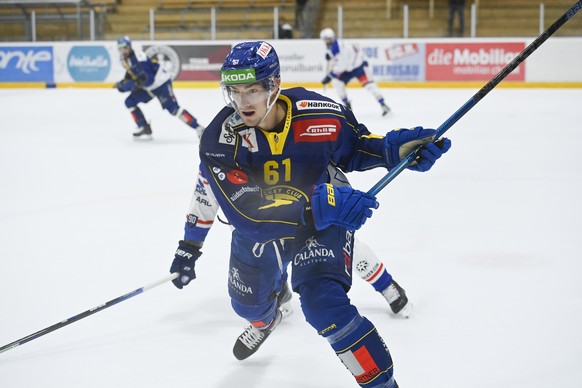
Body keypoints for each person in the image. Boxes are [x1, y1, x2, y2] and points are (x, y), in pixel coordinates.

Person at [169, 41, 451, 387]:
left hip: (318, 220)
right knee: (247, 308)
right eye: (236, 91)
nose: (242, 102)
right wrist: (189, 246)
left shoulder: (319, 112)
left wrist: (395, 151)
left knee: (324, 306)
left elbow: (359, 146)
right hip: (269, 227)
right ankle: (265, 319)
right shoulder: (220, 140)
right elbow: (246, 217)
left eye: (253, 90)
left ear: (273, 85)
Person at [114, 36, 204, 139]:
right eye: (120, 48)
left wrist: (130, 86)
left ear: (129, 46)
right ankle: (144, 127)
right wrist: (123, 83)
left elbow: (149, 79)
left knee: (173, 109)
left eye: (124, 47)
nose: (123, 50)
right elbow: (132, 74)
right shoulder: (126, 59)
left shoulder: (139, 57)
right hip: (149, 87)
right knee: (129, 102)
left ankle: (199, 128)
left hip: (161, 85)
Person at [320, 27, 391, 117]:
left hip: (358, 68)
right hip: (348, 69)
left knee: (370, 86)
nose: (327, 41)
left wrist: (330, 76)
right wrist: (330, 56)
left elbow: (342, 65)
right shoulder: (336, 45)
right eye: (325, 40)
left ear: (332, 37)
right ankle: (347, 105)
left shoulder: (339, 47)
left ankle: (383, 105)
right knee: (337, 83)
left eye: (328, 39)